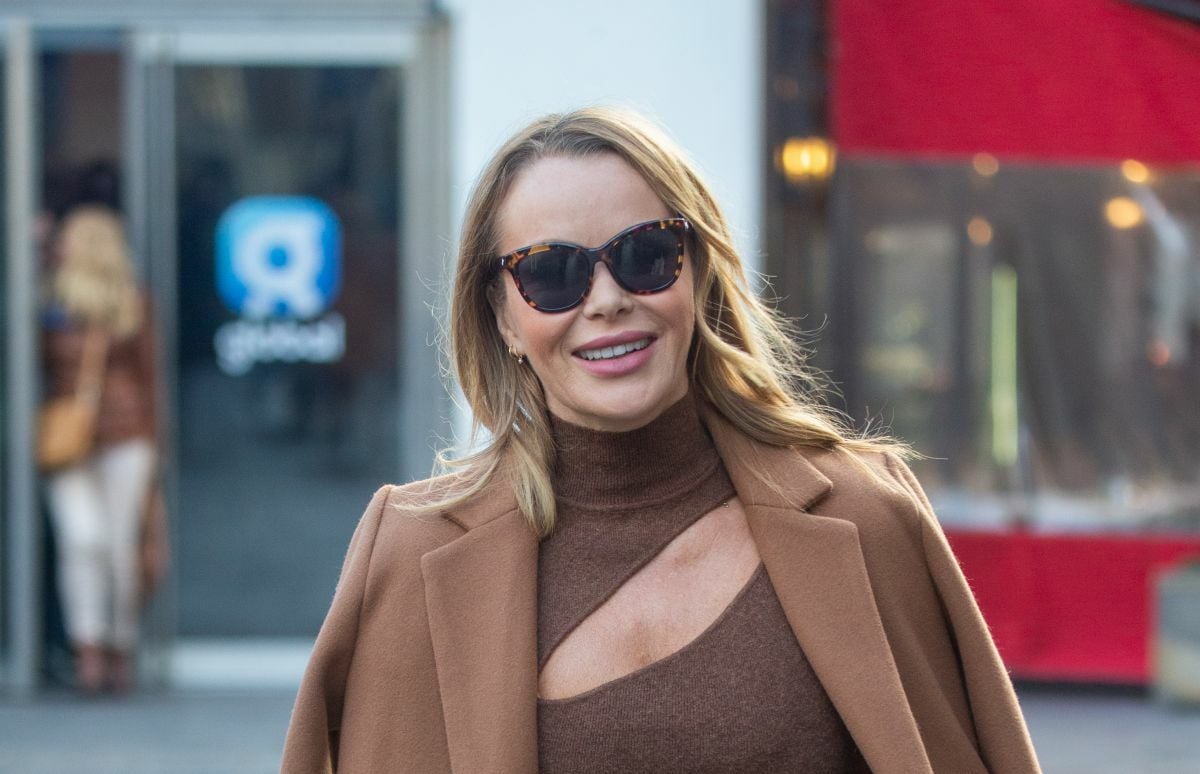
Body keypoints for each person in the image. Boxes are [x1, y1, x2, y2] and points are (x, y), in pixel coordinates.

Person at [282, 107, 1041, 773]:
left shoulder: (865, 514)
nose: (607, 300)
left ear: (698, 272)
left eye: (645, 255)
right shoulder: (411, 552)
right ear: (503, 316)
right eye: (552, 274)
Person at [41, 205, 160, 694]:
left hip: (125, 433)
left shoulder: (131, 301)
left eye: (68, 238)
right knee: (80, 539)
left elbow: (150, 376)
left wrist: (156, 445)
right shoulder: (50, 300)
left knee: (118, 545)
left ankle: (119, 645)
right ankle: (86, 646)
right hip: (67, 439)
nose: (60, 246)